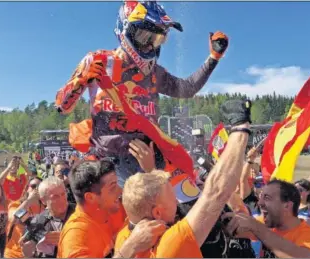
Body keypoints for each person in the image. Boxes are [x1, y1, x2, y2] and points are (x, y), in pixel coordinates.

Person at [55, 0, 229, 187]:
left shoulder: (155, 73)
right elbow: (62, 107)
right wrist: (79, 82)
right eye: (144, 36)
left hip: (150, 157)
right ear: (125, 29)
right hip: (108, 160)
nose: (149, 45)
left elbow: (186, 88)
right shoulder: (99, 61)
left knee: (188, 202)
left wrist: (214, 58)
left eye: (156, 39)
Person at [115, 100, 253, 258]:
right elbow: (217, 191)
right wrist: (240, 128)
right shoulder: (171, 245)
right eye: (173, 197)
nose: (178, 200)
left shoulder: (125, 241)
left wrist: (151, 171)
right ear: (158, 212)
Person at [222, 180, 310, 258]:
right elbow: (233, 228)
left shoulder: (308, 235)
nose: (259, 203)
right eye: (261, 197)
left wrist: (256, 226)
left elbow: (304, 256)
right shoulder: (268, 222)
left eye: (267, 198)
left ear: (287, 206)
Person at [57, 159, 126, 258]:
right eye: (112, 187)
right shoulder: (75, 236)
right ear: (90, 197)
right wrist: (128, 249)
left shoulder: (116, 206)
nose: (120, 190)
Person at [20, 177, 75, 258]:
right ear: (43, 201)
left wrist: (69, 239)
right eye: (55, 197)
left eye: (63, 193)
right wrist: (29, 254)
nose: (62, 199)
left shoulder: (80, 213)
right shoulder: (38, 222)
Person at [4, 177, 44, 258]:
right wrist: (29, 201)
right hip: (14, 254)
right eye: (33, 186)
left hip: (33, 254)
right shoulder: (16, 204)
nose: (35, 189)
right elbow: (13, 218)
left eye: (39, 186)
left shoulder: (44, 206)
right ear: (27, 188)